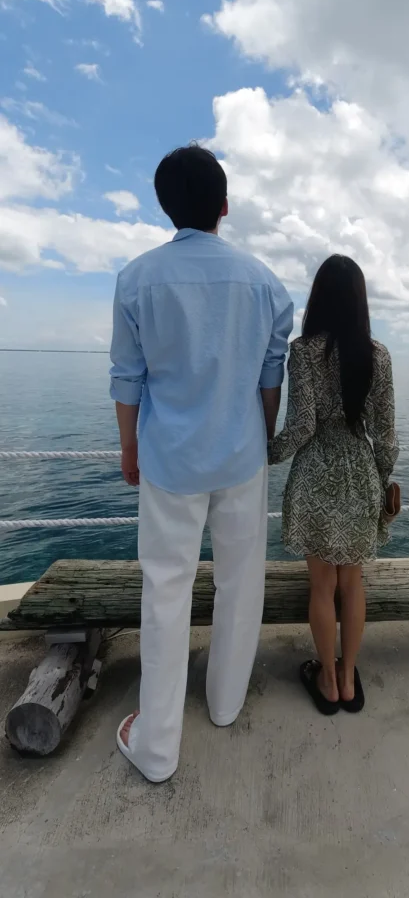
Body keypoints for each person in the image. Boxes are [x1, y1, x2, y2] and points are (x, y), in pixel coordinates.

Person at [110, 144, 293, 782]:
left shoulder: (136, 280)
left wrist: (130, 447)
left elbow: (127, 377)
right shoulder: (266, 283)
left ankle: (156, 747)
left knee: (165, 592)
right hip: (242, 457)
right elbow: (272, 377)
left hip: (168, 462)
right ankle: (223, 704)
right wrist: (264, 435)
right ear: (224, 206)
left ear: (166, 207)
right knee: (242, 585)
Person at [268, 255, 398, 715]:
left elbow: (301, 428)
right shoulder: (378, 355)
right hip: (360, 474)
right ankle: (348, 677)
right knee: (353, 584)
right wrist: (383, 482)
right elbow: (384, 435)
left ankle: (325, 678)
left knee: (322, 587)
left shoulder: (303, 353)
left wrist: (265, 454)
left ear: (318, 297)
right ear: (361, 301)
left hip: (316, 477)